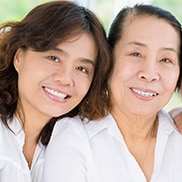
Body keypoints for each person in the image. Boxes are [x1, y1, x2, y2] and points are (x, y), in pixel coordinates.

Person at [43, 4, 182, 182]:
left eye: (166, 59)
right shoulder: (74, 136)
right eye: (136, 53)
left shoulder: (177, 136)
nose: (149, 74)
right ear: (108, 59)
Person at [0, 1, 112, 181]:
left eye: (82, 69)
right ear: (19, 57)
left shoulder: (67, 146)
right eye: (54, 58)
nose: (66, 79)